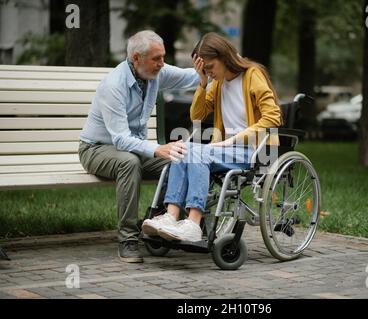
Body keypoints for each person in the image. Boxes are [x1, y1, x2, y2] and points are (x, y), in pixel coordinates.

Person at [141, 32, 282, 242]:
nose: (209, 72)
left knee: (197, 151)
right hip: (224, 150)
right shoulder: (216, 83)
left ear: (225, 58)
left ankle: (194, 224)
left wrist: (235, 139)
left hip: (253, 151)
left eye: (210, 67)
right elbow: (196, 116)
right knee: (181, 148)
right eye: (204, 68)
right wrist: (202, 81)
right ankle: (171, 217)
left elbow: (274, 116)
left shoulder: (252, 75)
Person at [78, 30, 199, 263]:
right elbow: (121, 140)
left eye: (162, 57)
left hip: (135, 147)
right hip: (96, 149)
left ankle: (157, 225)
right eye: (157, 59)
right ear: (136, 58)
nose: (162, 64)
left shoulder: (155, 73)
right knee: (129, 163)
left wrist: (215, 68)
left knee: (181, 158)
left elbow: (190, 77)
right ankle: (127, 239)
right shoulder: (114, 85)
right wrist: (156, 148)